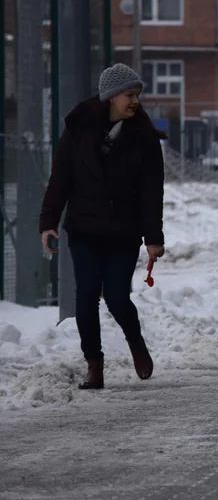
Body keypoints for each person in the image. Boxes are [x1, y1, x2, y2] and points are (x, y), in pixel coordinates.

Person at [38, 63, 165, 390]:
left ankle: (135, 341)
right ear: (110, 97)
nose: (135, 100)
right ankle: (94, 364)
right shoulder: (79, 129)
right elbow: (60, 178)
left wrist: (153, 238)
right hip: (83, 228)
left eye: (137, 94)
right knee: (87, 295)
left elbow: (152, 193)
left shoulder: (144, 138)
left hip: (123, 231)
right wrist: (48, 222)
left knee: (119, 297)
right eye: (129, 94)